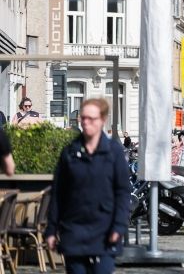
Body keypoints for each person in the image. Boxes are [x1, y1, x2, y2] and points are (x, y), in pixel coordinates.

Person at [45, 98, 130, 274]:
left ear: (102, 120)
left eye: (91, 118)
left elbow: (122, 192)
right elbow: (58, 193)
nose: (86, 122)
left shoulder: (113, 151)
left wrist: (119, 226)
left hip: (104, 230)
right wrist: (51, 229)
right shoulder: (70, 151)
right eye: (83, 118)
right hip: (73, 230)